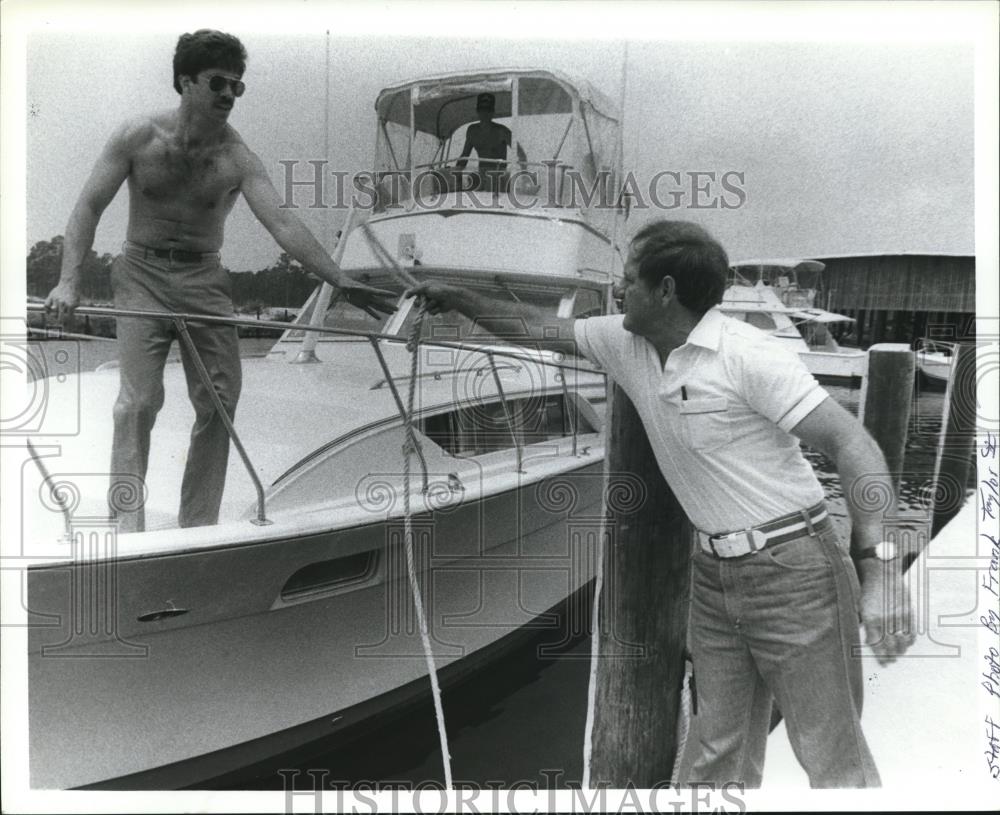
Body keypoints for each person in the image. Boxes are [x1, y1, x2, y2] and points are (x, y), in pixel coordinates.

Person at [406, 219, 914, 788]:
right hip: (713, 575)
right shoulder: (625, 341)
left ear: (666, 290)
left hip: (795, 568)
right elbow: (535, 327)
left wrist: (882, 569)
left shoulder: (748, 356)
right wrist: (457, 297)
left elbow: (854, 445)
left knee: (830, 754)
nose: (618, 290)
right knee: (716, 746)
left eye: (628, 279)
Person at [44, 30, 395, 532]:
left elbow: (283, 223)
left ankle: (198, 525)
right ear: (185, 82)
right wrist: (68, 281)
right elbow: (87, 206)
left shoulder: (237, 157)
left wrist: (339, 278)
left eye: (237, 86)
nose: (229, 95)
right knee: (139, 402)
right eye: (218, 83)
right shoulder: (137, 136)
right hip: (140, 273)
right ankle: (127, 526)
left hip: (203, 277)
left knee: (220, 402)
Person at [454, 92, 528, 193]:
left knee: (492, 188)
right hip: (482, 176)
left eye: (488, 110)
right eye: (482, 110)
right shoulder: (472, 131)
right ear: (477, 111)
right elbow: (464, 156)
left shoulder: (502, 131)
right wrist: (456, 174)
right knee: (470, 184)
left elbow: (521, 154)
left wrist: (524, 177)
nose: (485, 114)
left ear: (493, 112)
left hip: (499, 178)